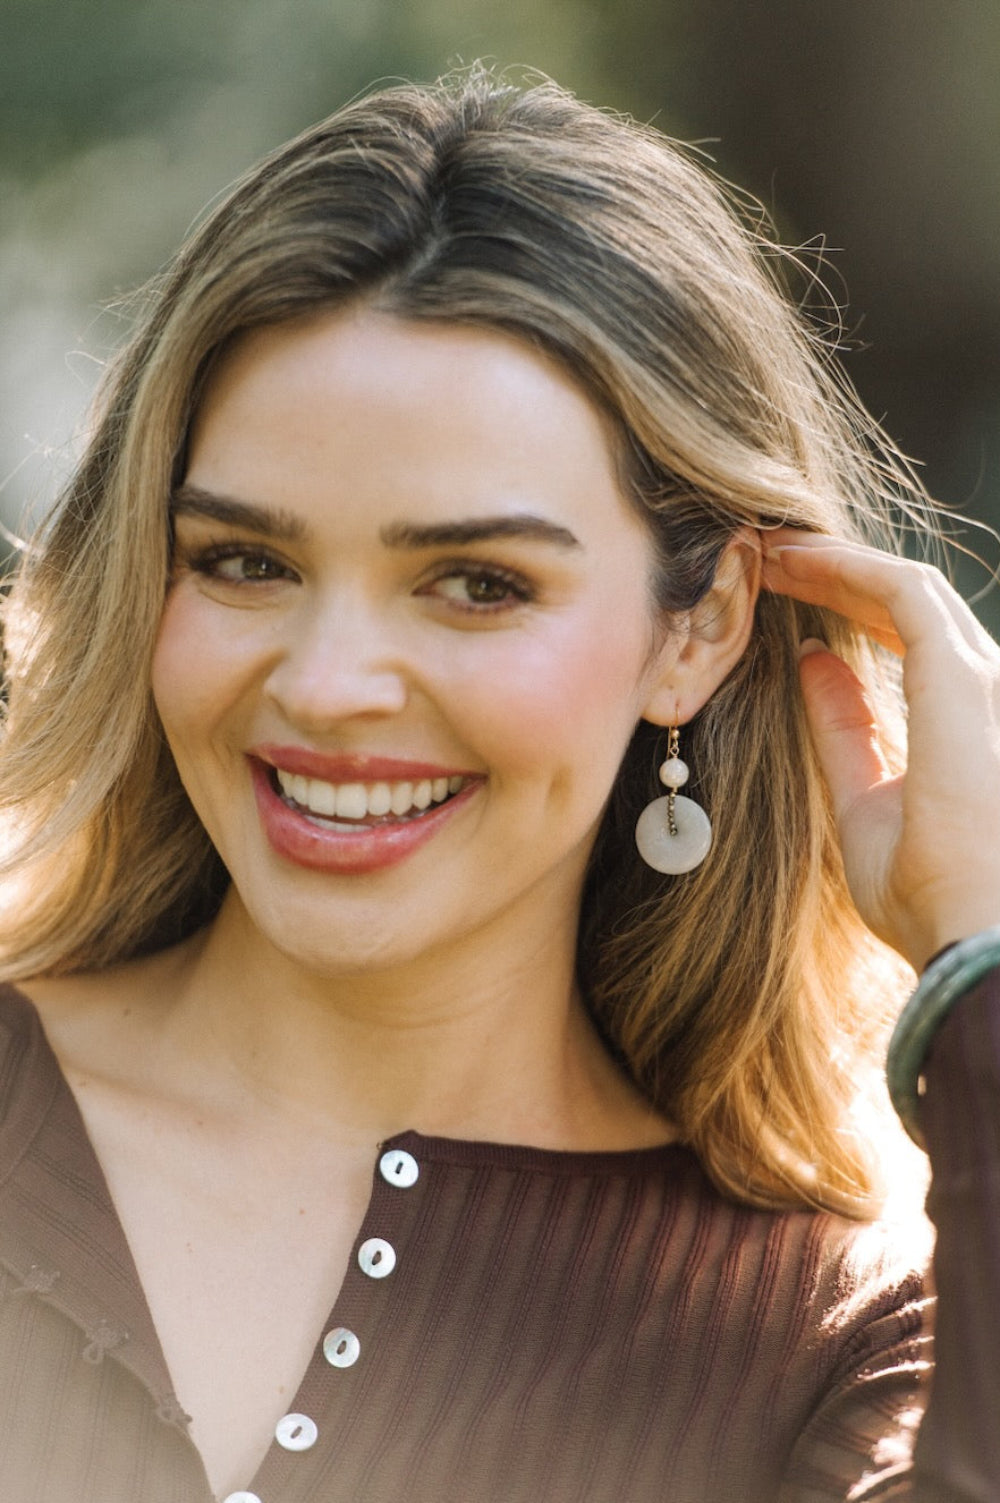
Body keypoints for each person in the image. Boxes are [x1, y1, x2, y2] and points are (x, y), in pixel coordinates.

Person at [0, 66, 998, 1503]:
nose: (329, 683)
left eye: (476, 582)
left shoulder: (819, 1351)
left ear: (697, 628)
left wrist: (983, 969)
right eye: (244, 561)